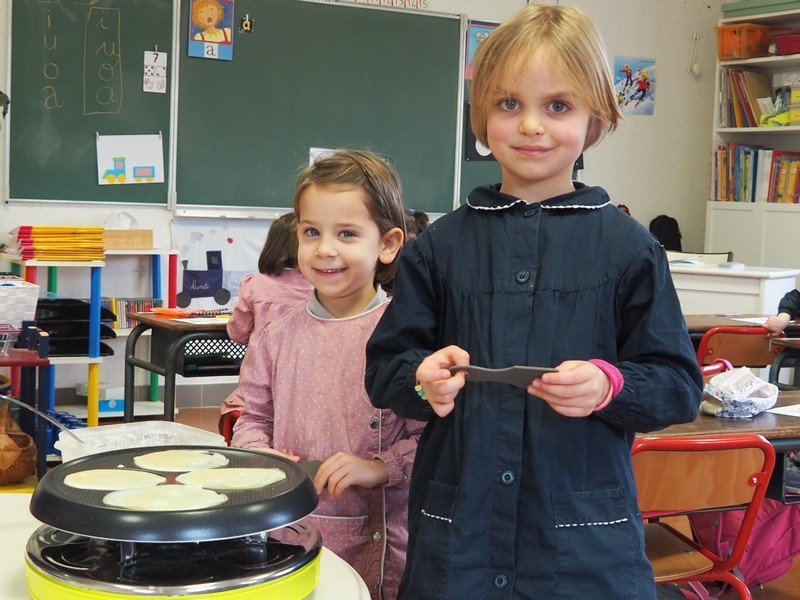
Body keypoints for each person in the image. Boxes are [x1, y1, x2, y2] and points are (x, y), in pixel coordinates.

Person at [364, 5, 702, 599]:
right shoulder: (439, 247)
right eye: (508, 104)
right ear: (482, 115)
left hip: (580, 548)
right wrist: (422, 380)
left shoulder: (630, 249)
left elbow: (676, 383)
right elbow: (385, 370)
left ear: (596, 117)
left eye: (558, 106)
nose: (531, 126)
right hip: (459, 541)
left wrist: (609, 386)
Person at [230, 149, 425, 600]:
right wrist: (263, 456)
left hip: (380, 547)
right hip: (290, 534)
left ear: (388, 244)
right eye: (312, 231)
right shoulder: (276, 335)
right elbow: (251, 416)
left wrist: (379, 467)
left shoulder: (407, 337)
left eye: (348, 233)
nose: (325, 249)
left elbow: (435, 437)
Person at [219, 212, 313, 419]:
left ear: (273, 245)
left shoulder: (255, 285)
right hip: (308, 385)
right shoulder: (322, 289)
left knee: (245, 412)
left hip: (260, 384)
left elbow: (238, 332)